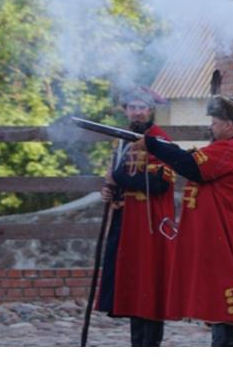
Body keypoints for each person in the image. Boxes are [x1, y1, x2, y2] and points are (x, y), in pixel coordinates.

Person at [145, 94, 233, 346]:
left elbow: (190, 165)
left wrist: (153, 144)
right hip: (221, 239)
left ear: (229, 124)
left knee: (223, 311)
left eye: (215, 122)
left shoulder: (230, 148)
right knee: (220, 312)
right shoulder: (229, 148)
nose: (211, 126)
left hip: (227, 240)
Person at [96, 87, 177, 346]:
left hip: (149, 225)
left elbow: (160, 182)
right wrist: (111, 191)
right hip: (127, 223)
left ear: (150, 110)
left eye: (142, 107)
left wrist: (119, 178)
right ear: (125, 111)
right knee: (132, 284)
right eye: (132, 107)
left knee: (149, 286)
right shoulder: (122, 141)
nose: (137, 112)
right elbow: (119, 178)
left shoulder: (159, 139)